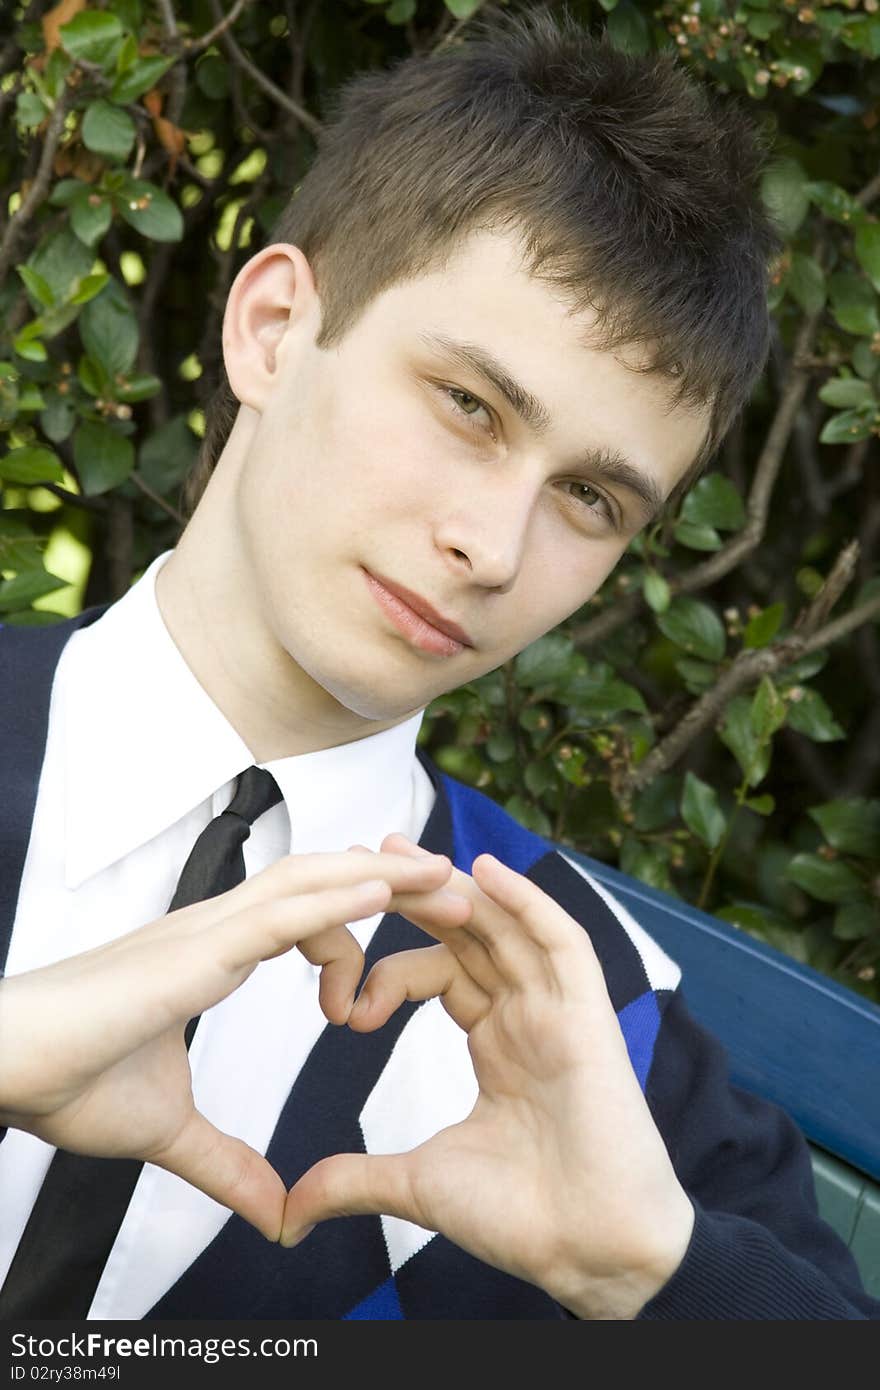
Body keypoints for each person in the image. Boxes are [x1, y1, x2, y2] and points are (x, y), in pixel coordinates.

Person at [0, 9, 877, 1322]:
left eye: (589, 497)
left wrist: (654, 1272)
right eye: (470, 404)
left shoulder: (592, 1025)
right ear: (275, 326)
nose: (491, 544)